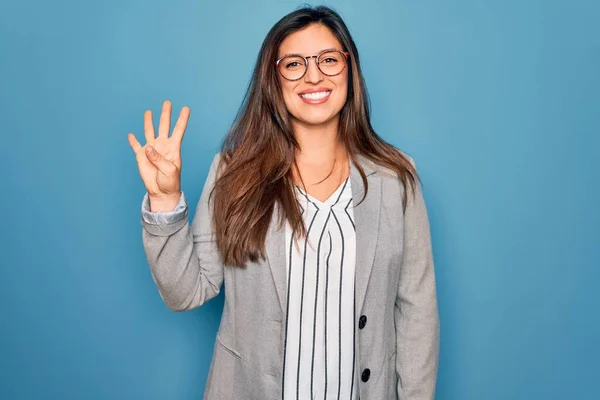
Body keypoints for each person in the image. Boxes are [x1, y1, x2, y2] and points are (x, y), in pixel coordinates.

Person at [127, 5, 439, 400]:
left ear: (350, 68)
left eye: (328, 60)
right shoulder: (233, 173)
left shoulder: (397, 178)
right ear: (273, 78)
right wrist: (165, 199)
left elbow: (417, 312)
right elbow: (187, 291)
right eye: (294, 64)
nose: (314, 75)